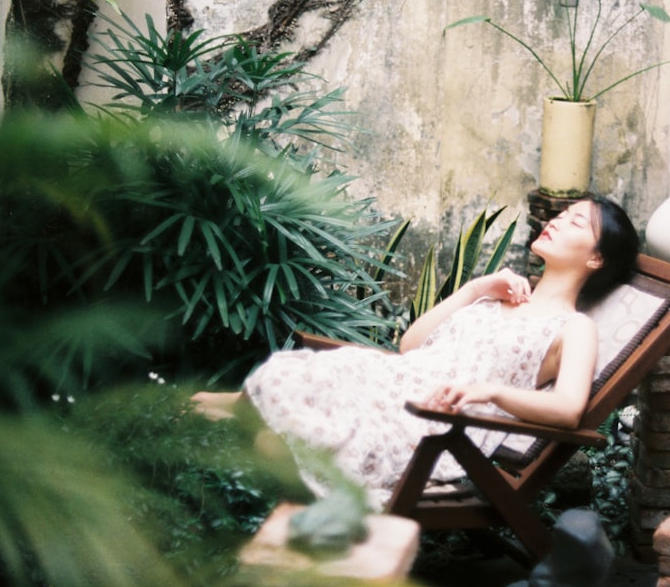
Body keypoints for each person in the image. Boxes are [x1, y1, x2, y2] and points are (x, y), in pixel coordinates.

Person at [193, 196, 639, 508]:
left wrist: (489, 392)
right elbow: (411, 346)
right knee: (293, 387)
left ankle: (192, 416)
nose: (558, 220)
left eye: (576, 222)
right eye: (562, 213)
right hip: (389, 383)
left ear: (596, 259)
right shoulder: (499, 295)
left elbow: (567, 409)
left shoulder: (574, 327)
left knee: (271, 440)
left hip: (431, 421)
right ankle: (203, 414)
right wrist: (475, 288)